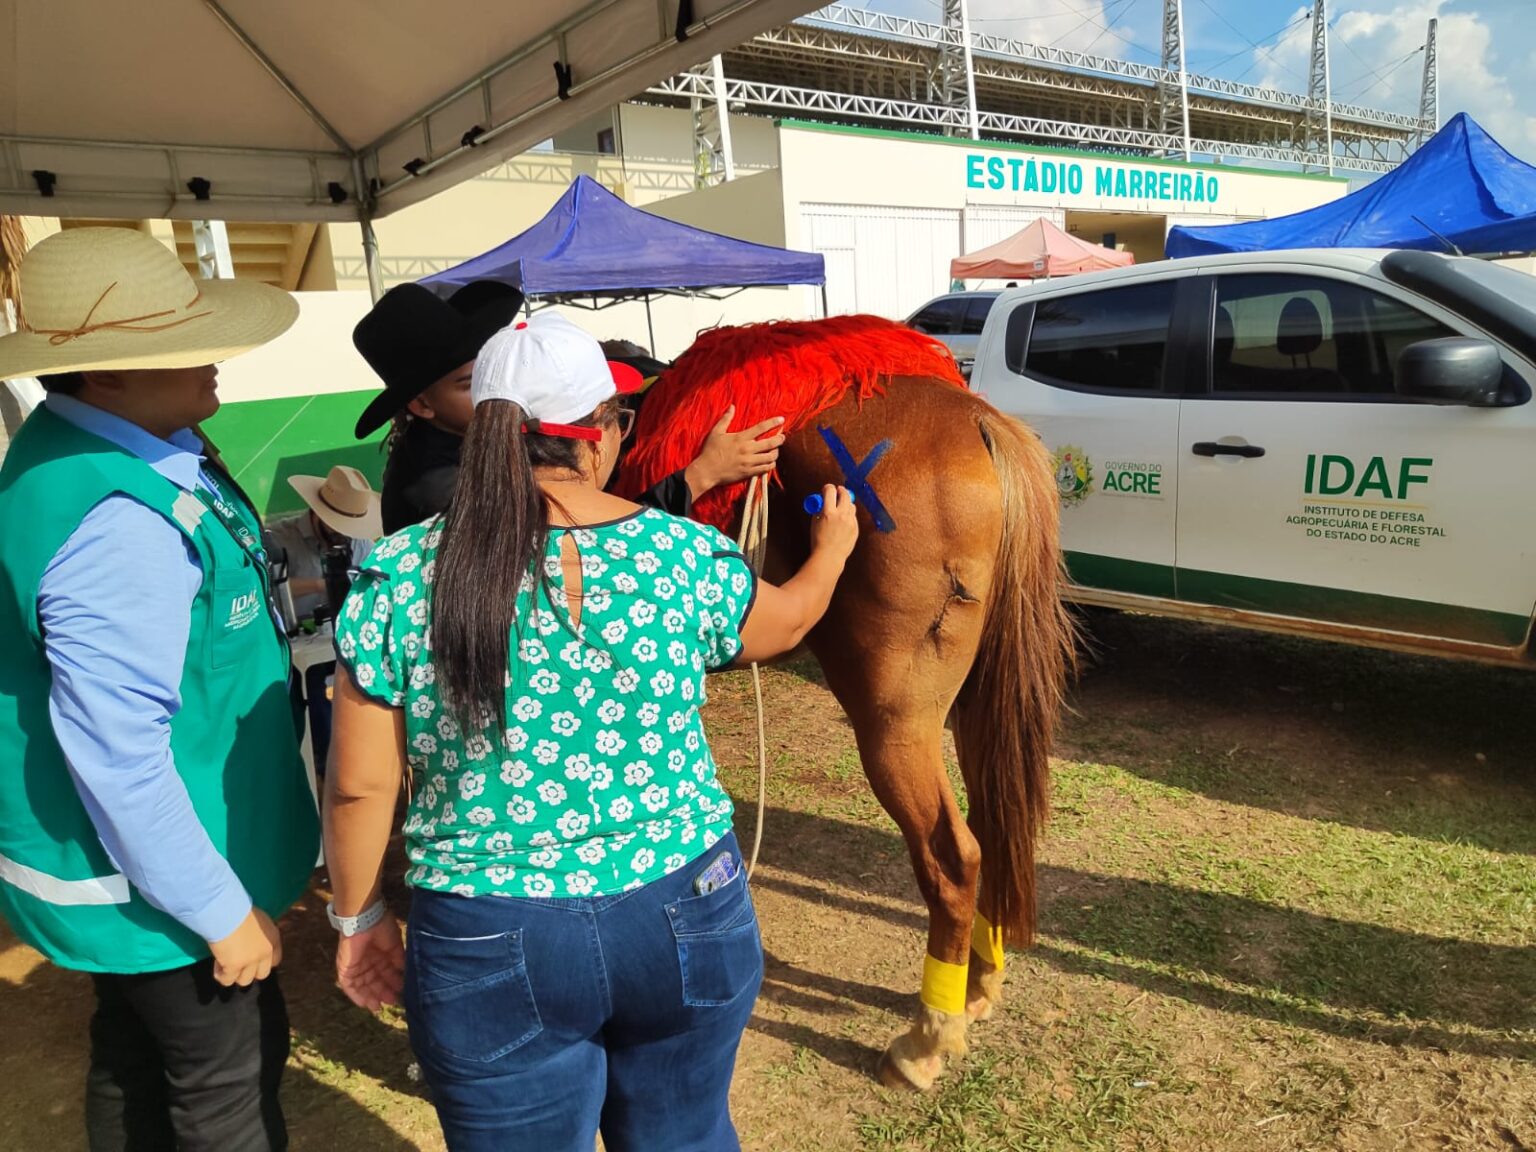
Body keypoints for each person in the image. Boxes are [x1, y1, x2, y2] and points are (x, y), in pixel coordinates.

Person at [324, 312, 858, 1151]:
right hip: (686, 905)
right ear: (601, 437)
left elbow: (360, 785)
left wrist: (359, 922)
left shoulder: (399, 574)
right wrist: (831, 550)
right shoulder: (682, 555)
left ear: (487, 435)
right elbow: (784, 623)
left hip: (488, 930)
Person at [0, 227, 319, 1151]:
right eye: (183, 347)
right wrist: (221, 915)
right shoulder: (117, 525)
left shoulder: (95, 452)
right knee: (224, 1093)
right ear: (104, 374)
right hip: (164, 886)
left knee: (134, 1065)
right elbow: (119, 753)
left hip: (135, 873)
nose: (214, 359)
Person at [352, 284, 785, 531]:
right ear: (421, 405)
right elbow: (578, 541)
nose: (497, 391)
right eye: (472, 384)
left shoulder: (454, 445)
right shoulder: (438, 489)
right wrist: (701, 475)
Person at [269, 464, 383, 623]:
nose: (345, 534)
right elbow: (263, 588)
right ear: (317, 512)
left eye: (350, 527)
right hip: (297, 636)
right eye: (337, 525)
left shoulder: (360, 540)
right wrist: (322, 585)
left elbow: (382, 580)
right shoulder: (279, 539)